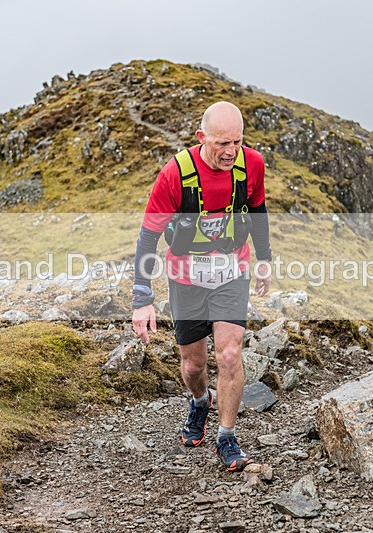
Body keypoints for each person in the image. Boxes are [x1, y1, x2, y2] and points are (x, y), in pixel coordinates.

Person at [131, 101, 272, 472]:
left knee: (228, 354)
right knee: (193, 366)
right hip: (185, 277)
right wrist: (141, 297)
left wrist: (264, 259)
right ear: (201, 138)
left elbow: (257, 211)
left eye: (237, 143)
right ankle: (199, 402)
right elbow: (148, 238)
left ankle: (227, 437)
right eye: (222, 143)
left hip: (231, 272)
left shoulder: (251, 165)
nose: (230, 152)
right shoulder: (174, 174)